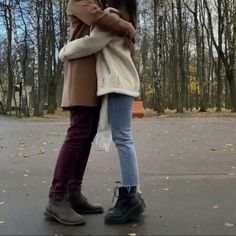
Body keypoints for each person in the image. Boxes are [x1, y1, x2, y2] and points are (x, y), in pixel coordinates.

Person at [44, 0, 136, 226]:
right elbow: (97, 18)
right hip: (82, 73)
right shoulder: (80, 0)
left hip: (96, 77)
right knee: (78, 133)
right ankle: (57, 196)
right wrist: (127, 27)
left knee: (86, 135)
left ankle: (73, 192)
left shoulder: (101, 1)